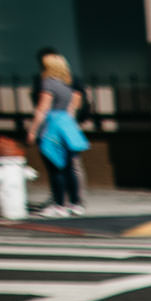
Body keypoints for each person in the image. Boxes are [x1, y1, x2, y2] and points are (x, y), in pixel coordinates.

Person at [28, 53, 87, 218]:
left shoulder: (48, 84)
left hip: (52, 129)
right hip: (67, 128)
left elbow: (42, 109)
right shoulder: (67, 86)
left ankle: (59, 204)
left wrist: (33, 131)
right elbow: (73, 108)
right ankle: (75, 203)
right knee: (69, 168)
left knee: (55, 168)